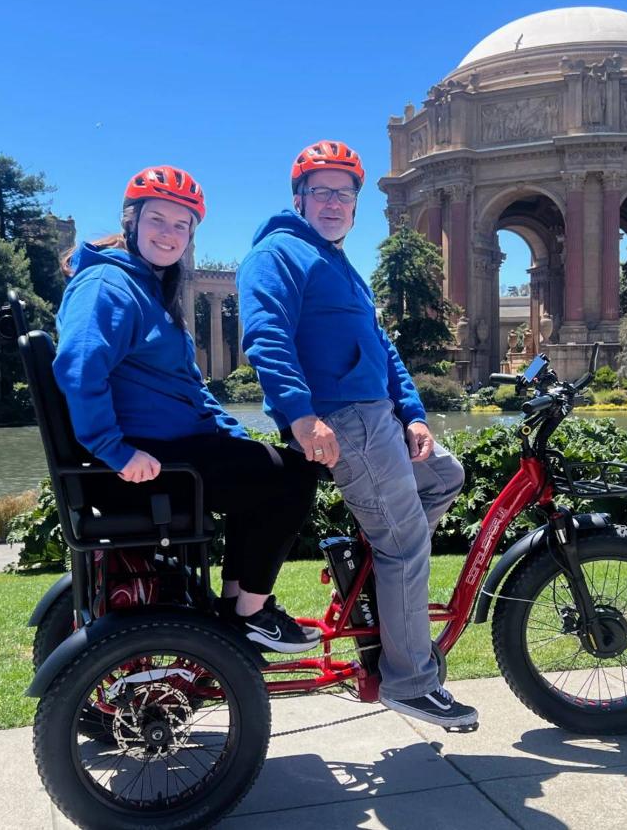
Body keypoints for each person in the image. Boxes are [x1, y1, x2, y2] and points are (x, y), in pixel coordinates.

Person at [237, 141, 477, 728]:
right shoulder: (278, 254)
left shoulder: (341, 264)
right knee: (406, 544)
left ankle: (376, 580)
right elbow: (266, 338)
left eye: (345, 194)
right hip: (342, 420)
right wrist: (300, 415)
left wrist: (414, 413)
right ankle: (410, 682)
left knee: (446, 475)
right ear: (299, 198)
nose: (335, 202)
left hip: (379, 417)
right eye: (322, 191)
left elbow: (382, 348)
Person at [53, 165, 322, 654]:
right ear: (131, 222)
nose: (169, 234)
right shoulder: (108, 287)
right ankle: (251, 611)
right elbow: (78, 369)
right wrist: (115, 450)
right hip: (139, 468)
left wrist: (231, 433)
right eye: (158, 219)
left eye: (182, 226)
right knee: (296, 476)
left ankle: (238, 604)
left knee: (268, 469)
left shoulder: (147, 288)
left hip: (167, 453)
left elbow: (188, 391)